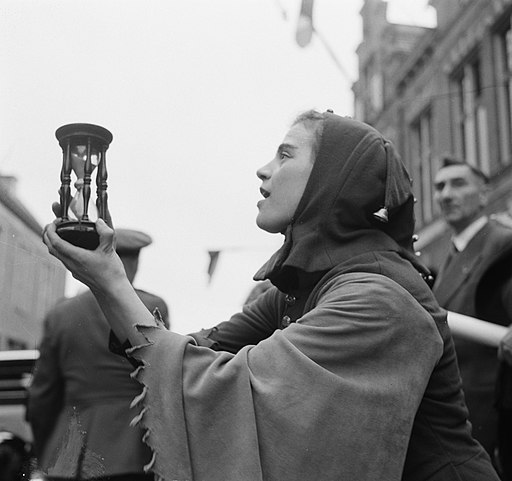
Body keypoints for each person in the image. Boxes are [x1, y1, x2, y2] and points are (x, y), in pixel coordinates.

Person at [42, 110, 500, 481]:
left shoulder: (377, 299)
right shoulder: (302, 287)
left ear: (331, 179)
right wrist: (105, 278)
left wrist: (110, 281)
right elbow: (188, 352)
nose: (263, 169)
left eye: (285, 155)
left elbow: (213, 381)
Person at [27, 228, 169, 481]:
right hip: (134, 451)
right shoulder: (152, 306)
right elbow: (160, 379)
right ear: (134, 263)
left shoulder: (61, 314)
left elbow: (42, 395)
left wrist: (46, 447)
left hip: (68, 451)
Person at [432, 155, 512, 479]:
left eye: (458, 183)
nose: (446, 194)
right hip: (459, 411)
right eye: (439, 186)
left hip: (492, 412)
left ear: (484, 193)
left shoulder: (503, 242)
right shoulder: (445, 258)